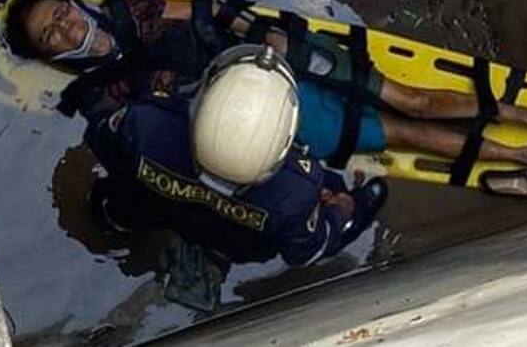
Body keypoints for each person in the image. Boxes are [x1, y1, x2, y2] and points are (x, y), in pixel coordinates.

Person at [6, 0, 527, 199]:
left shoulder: (136, 9)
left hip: (271, 55)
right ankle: (524, 154)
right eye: (51, 35)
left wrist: (270, 36)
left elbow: (212, 10)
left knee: (411, 98)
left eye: (60, 13)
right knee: (401, 132)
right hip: (256, 111)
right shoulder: (104, 93)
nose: (66, 28)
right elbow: (158, 134)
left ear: (71, 3)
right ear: (50, 54)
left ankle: (522, 114)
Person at [62, 39, 387, 269]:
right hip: (236, 242)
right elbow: (305, 252)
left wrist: (94, 99)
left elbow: (103, 137)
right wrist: (339, 212)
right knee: (334, 196)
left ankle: (110, 220)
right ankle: (363, 203)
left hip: (151, 204)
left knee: (118, 205)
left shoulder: (146, 122)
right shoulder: (298, 190)